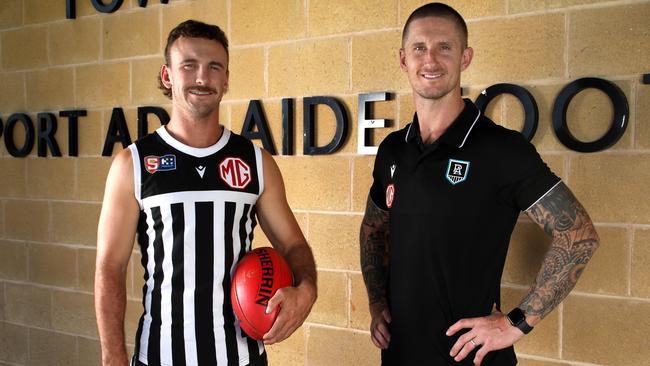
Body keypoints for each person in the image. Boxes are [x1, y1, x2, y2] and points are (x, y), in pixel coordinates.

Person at [359, 3, 599, 366]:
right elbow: (374, 228)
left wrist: (517, 323)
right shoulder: (393, 149)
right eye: (419, 48)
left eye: (445, 47)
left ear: (465, 57)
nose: (430, 60)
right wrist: (377, 303)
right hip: (399, 355)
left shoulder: (500, 149)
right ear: (403, 58)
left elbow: (579, 234)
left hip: (472, 360)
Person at [95, 20, 317, 366]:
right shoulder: (133, 164)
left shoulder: (255, 162)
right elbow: (110, 267)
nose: (202, 77)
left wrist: (307, 289)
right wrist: (113, 356)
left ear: (226, 79)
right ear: (167, 75)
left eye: (214, 67)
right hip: (160, 357)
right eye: (189, 65)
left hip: (242, 358)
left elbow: (293, 245)